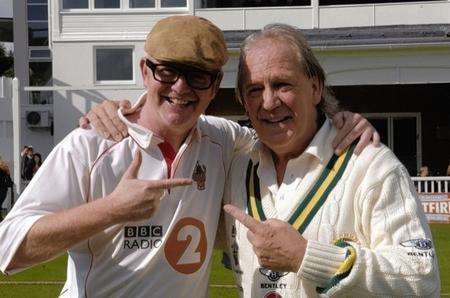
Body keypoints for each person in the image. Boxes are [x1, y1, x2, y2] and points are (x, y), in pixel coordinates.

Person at [0, 16, 377, 297]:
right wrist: (111, 210)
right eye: (168, 72)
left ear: (214, 87)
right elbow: (9, 251)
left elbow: (285, 128)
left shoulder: (224, 140)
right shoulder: (91, 144)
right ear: (145, 72)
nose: (181, 88)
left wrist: (338, 119)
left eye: (198, 77)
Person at [221, 24, 439, 297]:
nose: (268, 102)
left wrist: (306, 257)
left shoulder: (372, 166)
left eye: (282, 84)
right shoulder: (237, 166)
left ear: (315, 88)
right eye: (254, 89)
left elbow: (422, 280)